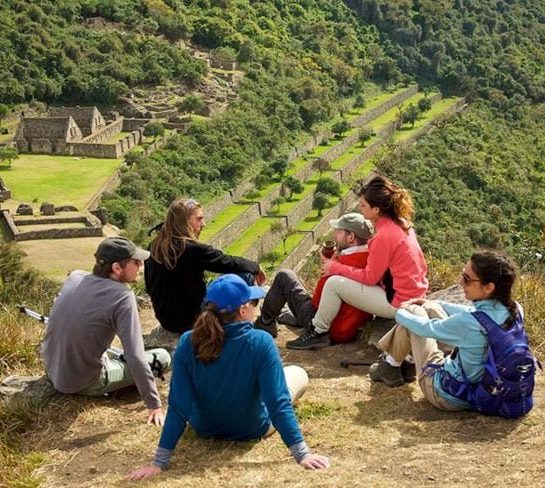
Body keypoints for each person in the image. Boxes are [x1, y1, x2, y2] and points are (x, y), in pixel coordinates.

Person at [128, 274, 330, 480]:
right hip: (252, 428)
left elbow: (178, 406)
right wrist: (302, 454)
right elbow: (278, 404)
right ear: (243, 310)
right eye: (253, 303)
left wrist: (159, 462)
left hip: (204, 427)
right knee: (297, 373)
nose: (255, 307)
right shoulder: (261, 341)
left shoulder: (189, 341)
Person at [286, 176, 428, 384]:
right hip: (415, 294)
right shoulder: (404, 225)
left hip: (397, 302)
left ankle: (318, 331)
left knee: (335, 283)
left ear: (376, 209)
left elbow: (370, 278)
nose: (360, 208)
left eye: (363, 205)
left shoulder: (383, 235)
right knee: (340, 279)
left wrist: (336, 267)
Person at [42, 236, 171, 425]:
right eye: (135, 262)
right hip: (84, 382)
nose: (141, 266)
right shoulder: (122, 296)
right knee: (163, 357)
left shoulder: (75, 276)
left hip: (53, 370)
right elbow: (135, 356)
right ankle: (118, 387)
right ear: (117, 268)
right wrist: (154, 404)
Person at [377, 251, 522, 411]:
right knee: (429, 307)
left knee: (413, 313)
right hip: (483, 388)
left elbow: (425, 328)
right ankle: (394, 364)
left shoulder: (468, 323)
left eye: (467, 279)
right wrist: (433, 303)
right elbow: (471, 312)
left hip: (447, 395)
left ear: (488, 287)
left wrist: (398, 312)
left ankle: (390, 364)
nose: (461, 282)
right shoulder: (515, 309)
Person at [145, 197, 266, 334]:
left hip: (167, 321)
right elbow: (227, 262)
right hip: (192, 320)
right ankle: (236, 324)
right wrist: (256, 267)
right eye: (199, 219)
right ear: (184, 221)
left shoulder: (154, 245)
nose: (204, 224)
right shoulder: (193, 249)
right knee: (245, 276)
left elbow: (149, 288)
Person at [255, 212, 374, 343]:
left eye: (339, 231)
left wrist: (326, 268)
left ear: (351, 237)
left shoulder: (340, 266)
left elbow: (317, 303)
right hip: (352, 325)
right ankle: (284, 315)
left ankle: (265, 323)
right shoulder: (373, 260)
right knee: (297, 303)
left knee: (285, 276)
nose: (334, 235)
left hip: (329, 328)